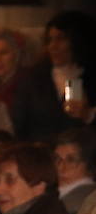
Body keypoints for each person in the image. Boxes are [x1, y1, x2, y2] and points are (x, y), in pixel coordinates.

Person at [11, 11, 96, 141]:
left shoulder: (90, 78)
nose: (53, 46)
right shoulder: (33, 79)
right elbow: (17, 126)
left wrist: (89, 115)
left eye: (61, 39)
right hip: (39, 154)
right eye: (50, 40)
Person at [54, 126, 96, 214]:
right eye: (57, 158)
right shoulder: (50, 192)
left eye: (71, 160)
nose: (60, 166)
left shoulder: (90, 201)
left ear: (88, 163)